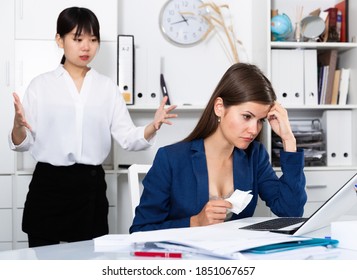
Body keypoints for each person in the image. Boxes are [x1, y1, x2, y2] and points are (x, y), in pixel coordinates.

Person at [9, 7, 177, 247]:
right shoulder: (40, 86)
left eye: (93, 39)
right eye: (77, 39)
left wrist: (153, 125)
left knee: (89, 264)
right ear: (59, 40)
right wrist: (17, 126)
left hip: (90, 189)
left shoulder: (107, 88)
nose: (86, 47)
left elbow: (129, 138)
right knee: (44, 266)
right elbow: (22, 144)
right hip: (48, 186)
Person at [130, 62, 307, 233]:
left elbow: (290, 212)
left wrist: (288, 139)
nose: (254, 130)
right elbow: (140, 230)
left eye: (260, 120)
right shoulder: (170, 158)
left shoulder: (255, 155)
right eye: (246, 116)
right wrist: (194, 222)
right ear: (219, 107)